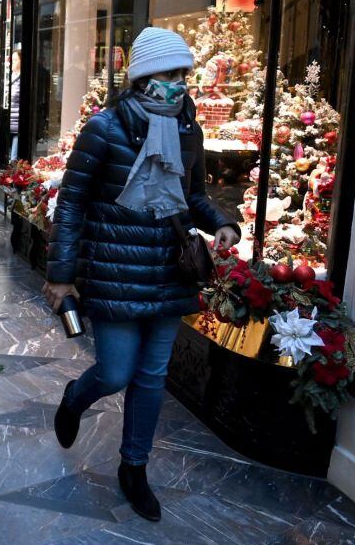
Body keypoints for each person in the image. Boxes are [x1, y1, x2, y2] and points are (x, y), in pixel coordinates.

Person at [42, 27, 241, 522]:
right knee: (114, 373)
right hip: (115, 267)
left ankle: (134, 468)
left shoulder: (189, 128)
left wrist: (222, 223)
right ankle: (75, 398)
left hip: (171, 270)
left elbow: (190, 195)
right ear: (143, 76)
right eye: (170, 74)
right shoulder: (105, 128)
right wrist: (62, 274)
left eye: (183, 75)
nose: (178, 84)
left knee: (151, 377)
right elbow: (72, 204)